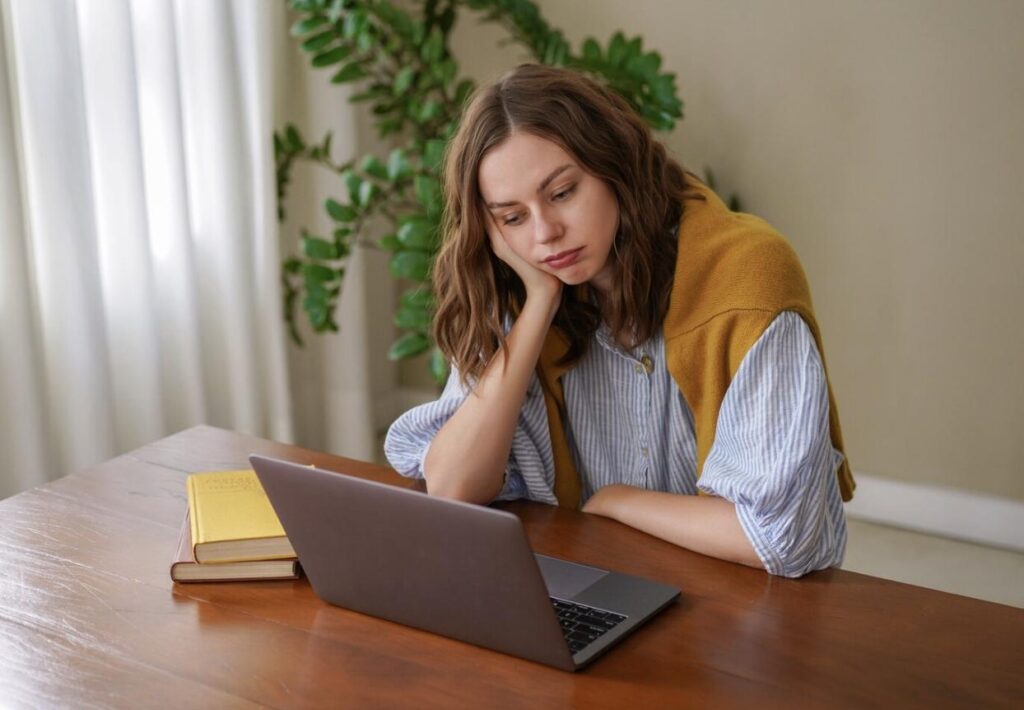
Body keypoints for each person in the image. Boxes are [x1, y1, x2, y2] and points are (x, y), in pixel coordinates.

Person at [384, 63, 855, 578]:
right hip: (600, 581)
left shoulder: (746, 277)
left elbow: (781, 538)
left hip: (742, 602)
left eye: (563, 193)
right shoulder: (519, 282)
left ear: (615, 167)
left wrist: (618, 501)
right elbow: (452, 486)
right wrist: (540, 303)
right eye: (513, 217)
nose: (545, 233)